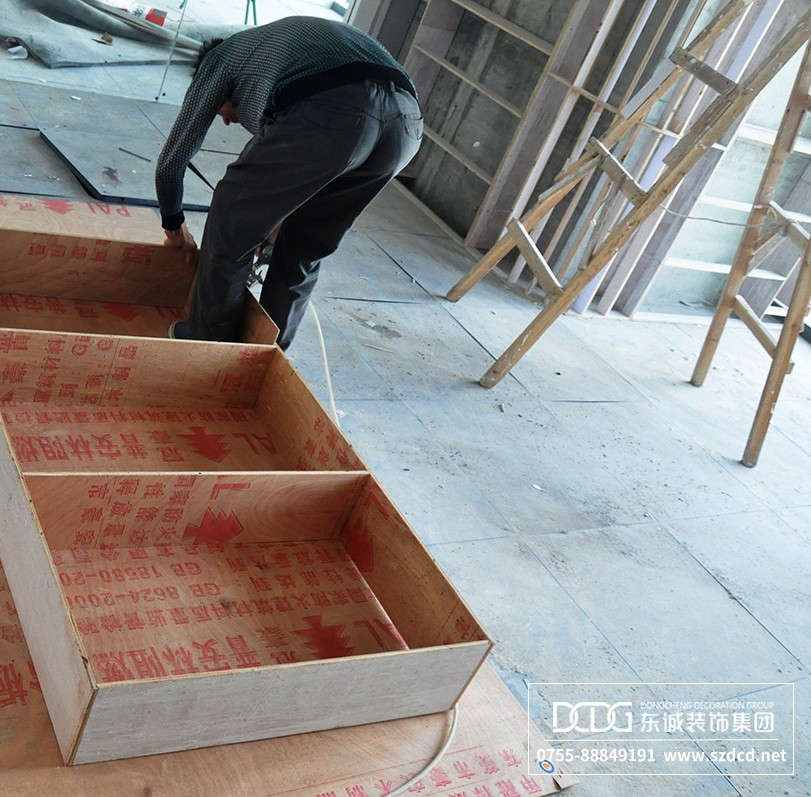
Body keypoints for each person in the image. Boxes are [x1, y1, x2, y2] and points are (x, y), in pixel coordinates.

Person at [156, 16, 422, 349]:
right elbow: (317, 167)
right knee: (303, 246)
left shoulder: (220, 59)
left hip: (336, 109)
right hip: (406, 126)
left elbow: (172, 162)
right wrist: (273, 221)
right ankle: (269, 356)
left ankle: (207, 344)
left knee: (231, 220)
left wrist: (174, 228)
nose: (226, 121)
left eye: (223, 112)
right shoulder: (282, 50)